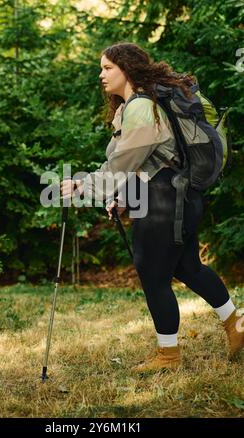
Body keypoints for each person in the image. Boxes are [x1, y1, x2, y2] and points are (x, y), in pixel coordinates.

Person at [61, 42, 244, 373]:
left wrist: (82, 185)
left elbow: (123, 163)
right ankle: (236, 323)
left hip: (164, 202)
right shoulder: (138, 104)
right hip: (177, 197)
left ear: (126, 69)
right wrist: (122, 198)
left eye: (107, 68)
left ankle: (168, 356)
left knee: (153, 273)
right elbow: (146, 163)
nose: (101, 75)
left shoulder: (142, 107)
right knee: (188, 267)